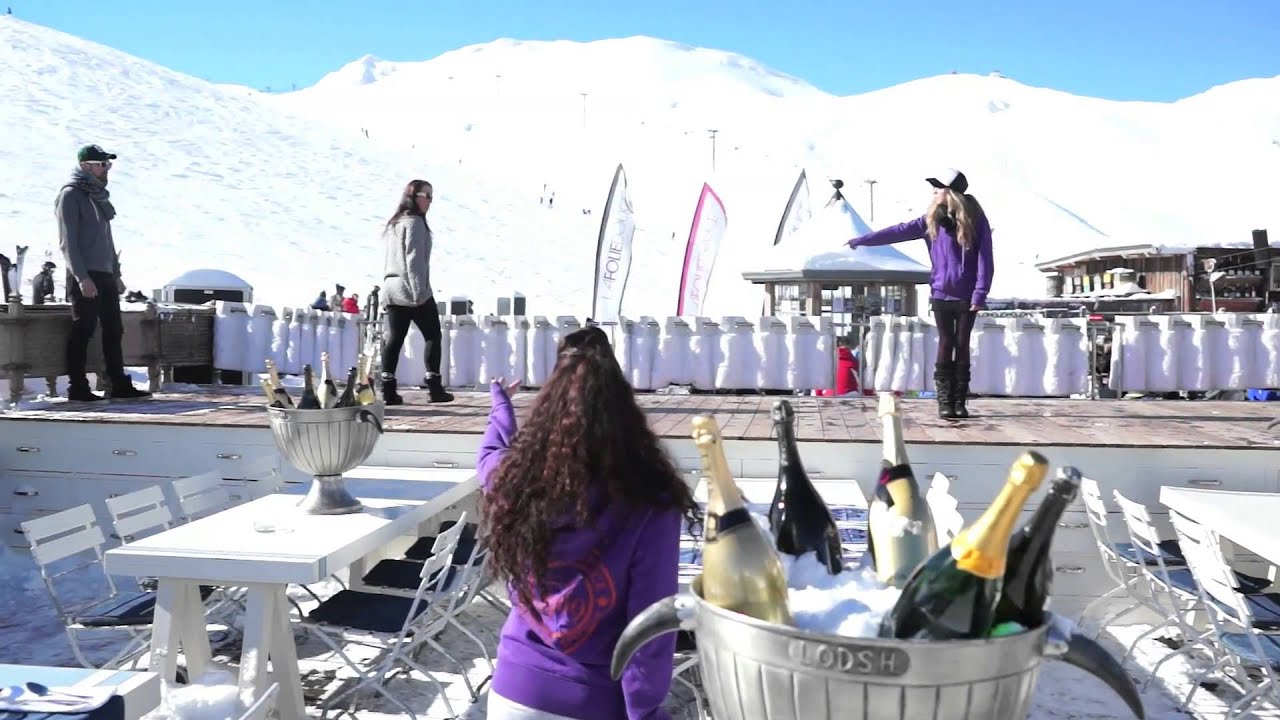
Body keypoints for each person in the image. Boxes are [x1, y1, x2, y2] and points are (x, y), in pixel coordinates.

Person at [479, 326, 701, 720]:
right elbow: (649, 625)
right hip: (592, 700)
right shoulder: (650, 504)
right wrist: (645, 711)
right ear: (625, 414)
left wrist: (501, 410)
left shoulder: (518, 483)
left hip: (512, 694)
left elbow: (490, 458)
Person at [845, 169, 993, 419]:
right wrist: (863, 240)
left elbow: (985, 259)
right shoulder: (930, 220)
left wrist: (980, 293)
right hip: (940, 293)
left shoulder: (975, 220)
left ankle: (959, 401)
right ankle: (944, 401)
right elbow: (898, 231)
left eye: (939, 187)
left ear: (952, 192)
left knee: (962, 344)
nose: (934, 191)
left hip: (967, 295)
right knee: (946, 342)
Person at [57, 144, 150, 402]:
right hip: (85, 274)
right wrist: (82, 277)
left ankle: (117, 383)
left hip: (105, 273)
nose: (106, 169)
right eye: (102, 164)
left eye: (108, 164)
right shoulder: (71, 195)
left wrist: (116, 273)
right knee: (84, 328)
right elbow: (68, 242)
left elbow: (107, 240)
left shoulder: (98, 197)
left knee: (114, 329)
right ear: (85, 166)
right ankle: (78, 387)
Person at [381, 179, 452, 404]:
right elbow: (414, 260)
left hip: (392, 289)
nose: (429, 201)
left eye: (431, 196)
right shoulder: (415, 223)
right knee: (433, 335)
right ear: (413, 196)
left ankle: (388, 390)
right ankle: (434, 388)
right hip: (412, 290)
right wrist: (420, 293)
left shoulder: (395, 222)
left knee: (395, 339)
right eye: (426, 195)